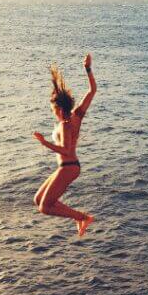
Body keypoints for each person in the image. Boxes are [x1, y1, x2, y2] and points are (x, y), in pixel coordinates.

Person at [33, 53, 96, 236]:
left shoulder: (67, 124)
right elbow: (92, 91)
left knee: (45, 207)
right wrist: (88, 70)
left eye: (53, 109)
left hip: (69, 166)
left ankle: (82, 217)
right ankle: (79, 217)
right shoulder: (77, 115)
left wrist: (45, 143)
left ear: (58, 108)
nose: (53, 112)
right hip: (67, 166)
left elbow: (66, 150)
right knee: (38, 200)